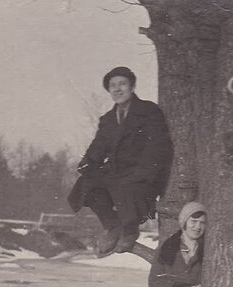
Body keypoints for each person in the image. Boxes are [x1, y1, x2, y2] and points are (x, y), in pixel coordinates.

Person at [68, 66, 173, 257]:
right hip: (117, 172)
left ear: (132, 87)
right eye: (112, 86)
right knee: (86, 184)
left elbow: (157, 147)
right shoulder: (108, 119)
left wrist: (143, 174)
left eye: (122, 84)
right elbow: (98, 147)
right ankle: (112, 225)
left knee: (126, 185)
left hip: (144, 173)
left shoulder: (149, 111)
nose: (117, 89)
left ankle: (130, 230)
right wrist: (87, 163)